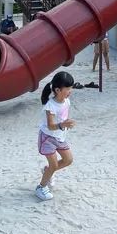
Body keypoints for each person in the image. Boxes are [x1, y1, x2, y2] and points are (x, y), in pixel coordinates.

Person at [35, 71, 75, 201]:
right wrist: (63, 124)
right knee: (54, 165)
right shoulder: (50, 106)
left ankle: (48, 171)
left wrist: (67, 123)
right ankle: (41, 188)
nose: (70, 91)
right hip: (47, 138)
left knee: (68, 160)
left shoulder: (66, 101)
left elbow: (64, 117)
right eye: (68, 88)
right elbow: (51, 125)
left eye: (71, 88)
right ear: (57, 90)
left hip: (59, 137)